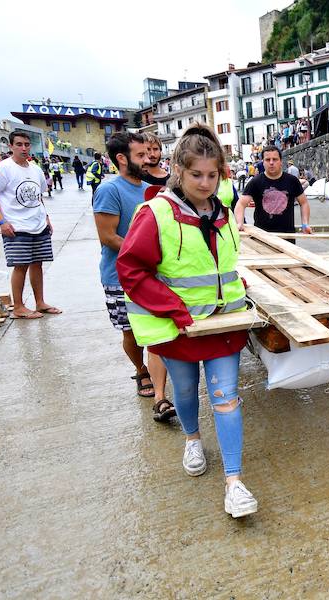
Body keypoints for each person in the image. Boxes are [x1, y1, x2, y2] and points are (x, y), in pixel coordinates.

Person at [117, 124, 258, 518]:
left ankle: (234, 481)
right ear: (179, 169)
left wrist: (234, 283)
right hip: (180, 328)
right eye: (197, 174)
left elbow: (221, 263)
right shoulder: (156, 214)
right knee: (185, 390)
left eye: (213, 175)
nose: (205, 182)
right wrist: (173, 310)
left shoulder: (222, 212)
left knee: (226, 398)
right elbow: (131, 269)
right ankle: (193, 439)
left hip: (222, 326)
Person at [93, 132, 173, 421]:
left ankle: (158, 379)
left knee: (154, 329)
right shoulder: (109, 190)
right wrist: (143, 251)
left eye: (148, 154)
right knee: (131, 331)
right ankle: (141, 371)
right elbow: (107, 236)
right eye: (140, 155)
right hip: (119, 275)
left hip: (150, 272)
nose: (148, 158)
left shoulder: (147, 189)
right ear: (121, 158)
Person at [0, 130, 62, 319]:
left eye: (27, 144)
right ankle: (19, 306)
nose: (23, 148)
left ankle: (40, 302)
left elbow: (39, 197)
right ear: (11, 146)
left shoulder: (35, 169)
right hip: (16, 226)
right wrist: (2, 221)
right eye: (19, 144)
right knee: (20, 265)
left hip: (38, 224)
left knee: (38, 263)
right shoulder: (3, 168)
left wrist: (46, 218)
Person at [235, 145, 311, 236]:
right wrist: (239, 223)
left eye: (275, 159)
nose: (271, 162)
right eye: (267, 160)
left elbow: (304, 203)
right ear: (263, 162)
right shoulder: (255, 182)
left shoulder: (292, 181)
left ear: (281, 162)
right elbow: (241, 204)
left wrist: (305, 224)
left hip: (287, 236)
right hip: (262, 236)